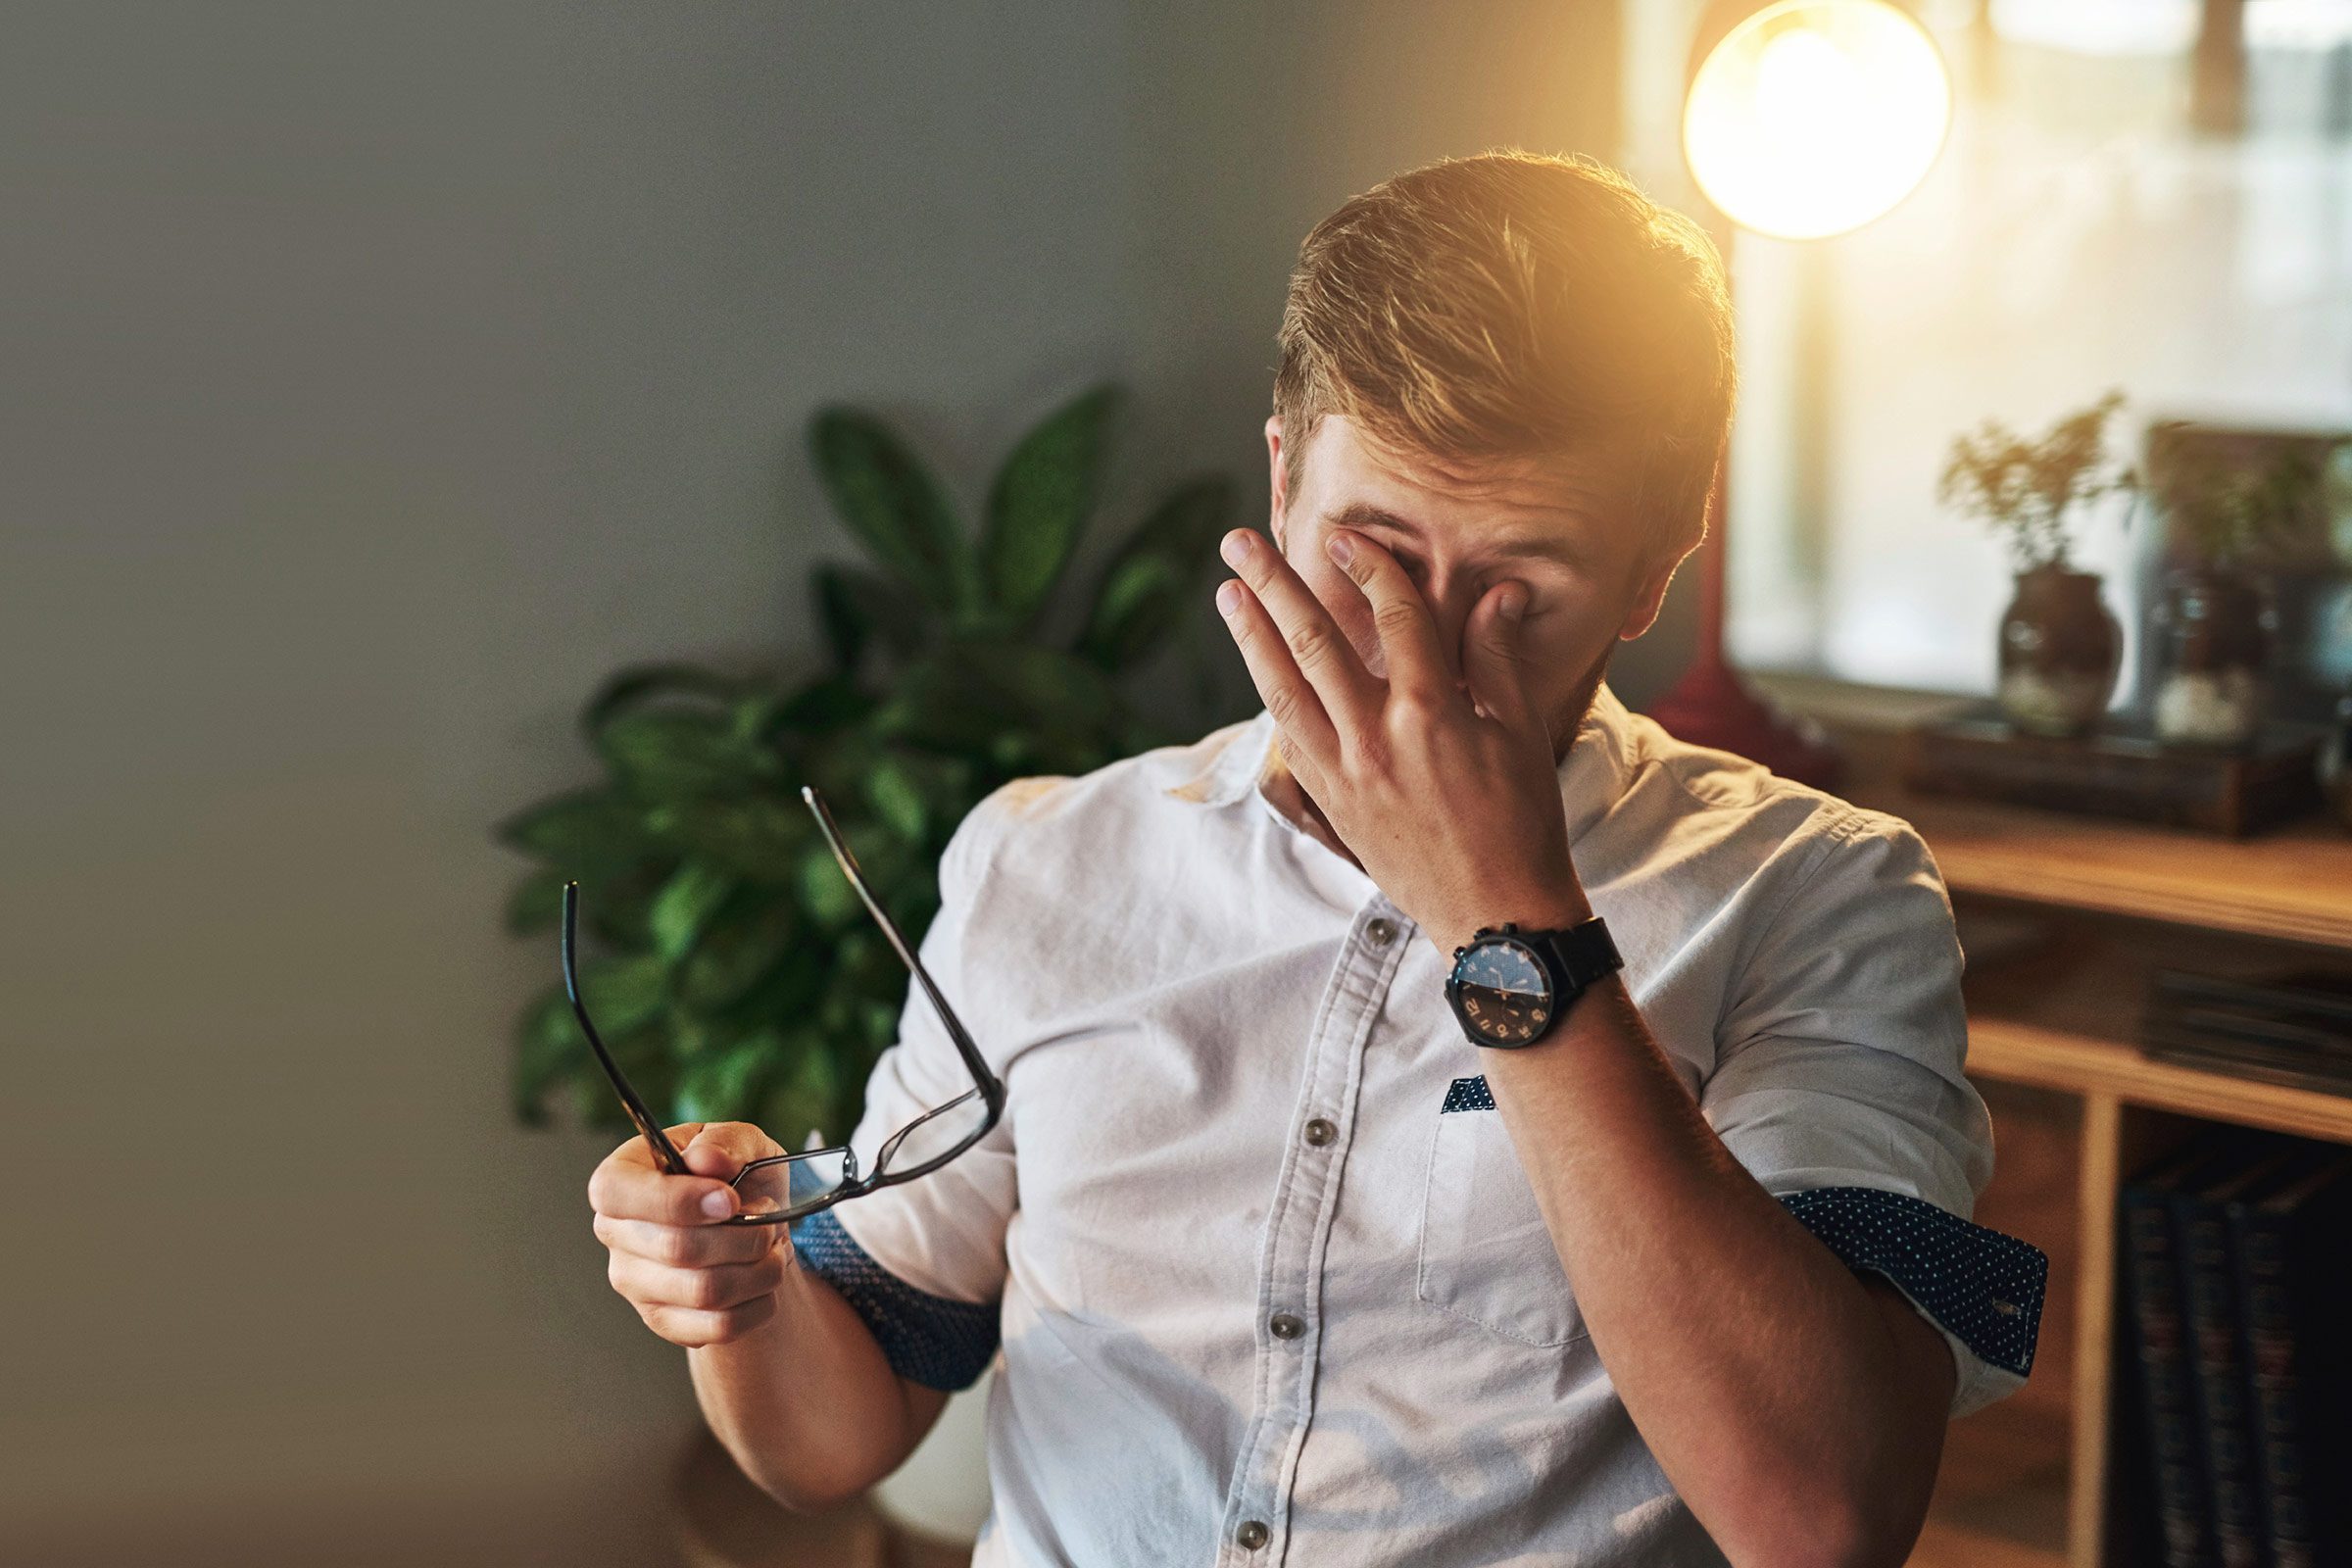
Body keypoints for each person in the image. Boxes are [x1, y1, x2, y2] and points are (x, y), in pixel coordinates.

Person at [586, 148, 2047, 1567]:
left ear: (1662, 560)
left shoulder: (1816, 892)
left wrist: (1507, 915)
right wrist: (737, 1287)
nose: (1424, 653)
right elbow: (831, 1441)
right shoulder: (1047, 859)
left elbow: (1823, 1519)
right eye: (1373, 555)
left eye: (1522, 590)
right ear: (1282, 481)